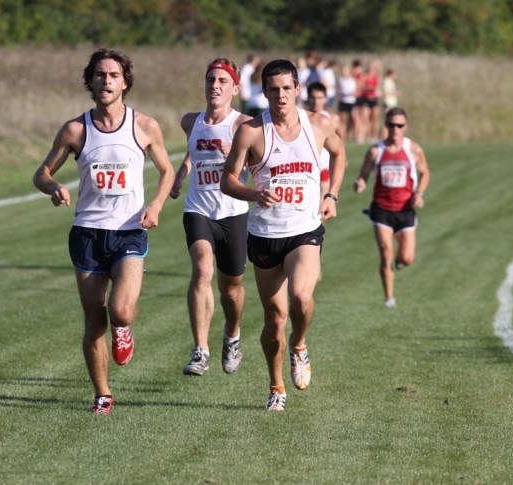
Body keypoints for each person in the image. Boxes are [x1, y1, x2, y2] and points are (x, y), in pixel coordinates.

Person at [32, 48, 175, 415]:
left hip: (129, 230)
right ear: (91, 81)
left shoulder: (144, 126)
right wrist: (54, 188)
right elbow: (41, 173)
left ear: (125, 83)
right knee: (95, 319)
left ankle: (124, 329)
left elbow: (167, 171)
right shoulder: (75, 129)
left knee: (121, 311)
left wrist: (156, 206)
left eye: (113, 75)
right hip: (88, 233)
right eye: (99, 75)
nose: (106, 81)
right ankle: (103, 394)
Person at [221, 59, 345, 411]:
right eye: (273, 89)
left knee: (302, 298)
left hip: (304, 230)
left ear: (297, 90)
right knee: (274, 320)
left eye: (287, 88)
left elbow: (340, 155)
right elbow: (228, 180)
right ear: (264, 92)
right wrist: (253, 194)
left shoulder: (318, 124)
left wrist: (332, 195)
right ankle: (276, 387)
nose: (280, 95)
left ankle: (300, 345)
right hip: (264, 234)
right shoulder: (250, 131)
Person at [170, 58, 252, 376]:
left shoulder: (244, 124)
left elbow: (260, 159)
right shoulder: (190, 121)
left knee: (231, 288)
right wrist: (181, 174)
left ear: (234, 88)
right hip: (198, 208)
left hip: (233, 212)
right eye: (210, 80)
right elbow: (196, 148)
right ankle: (200, 349)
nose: (214, 85)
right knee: (202, 269)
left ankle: (232, 334)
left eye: (222, 80)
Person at [353, 108, 430, 308]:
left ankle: (401, 261)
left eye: (400, 125)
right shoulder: (375, 151)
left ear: (405, 126)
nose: (395, 129)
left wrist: (418, 193)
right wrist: (360, 182)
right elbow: (364, 175)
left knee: (407, 258)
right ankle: (389, 298)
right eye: (391, 125)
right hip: (382, 210)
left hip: (405, 210)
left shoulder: (414, 150)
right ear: (385, 125)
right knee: (386, 252)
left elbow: (425, 173)